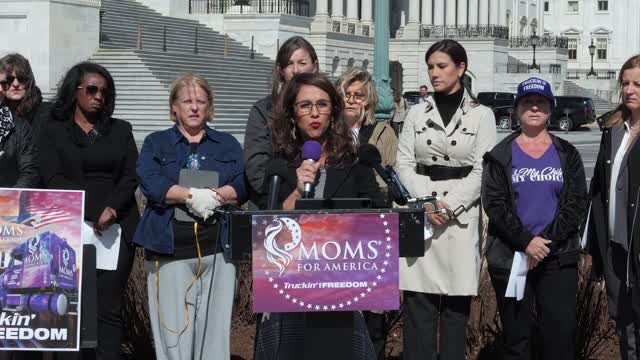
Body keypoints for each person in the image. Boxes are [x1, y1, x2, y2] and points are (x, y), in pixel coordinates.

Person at [254, 72, 385, 360]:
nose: (314, 113)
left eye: (322, 105)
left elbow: (377, 218)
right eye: (305, 105)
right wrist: (297, 192)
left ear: (334, 112)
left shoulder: (355, 161)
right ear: (291, 113)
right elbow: (264, 233)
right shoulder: (278, 167)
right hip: (290, 291)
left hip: (341, 292)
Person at [395, 39, 496, 360]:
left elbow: (484, 169)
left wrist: (449, 205)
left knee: (455, 312)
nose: (434, 73)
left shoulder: (482, 116)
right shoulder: (415, 112)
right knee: (418, 308)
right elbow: (404, 164)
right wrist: (426, 201)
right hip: (421, 215)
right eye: (430, 67)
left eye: (442, 66)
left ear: (460, 68)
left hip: (459, 220)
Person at [134, 73, 246, 360]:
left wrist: (219, 195)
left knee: (214, 335)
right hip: (169, 250)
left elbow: (244, 182)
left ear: (209, 106)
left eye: (200, 101)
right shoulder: (156, 143)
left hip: (219, 250)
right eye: (187, 101)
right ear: (174, 107)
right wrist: (189, 196)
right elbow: (149, 179)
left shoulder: (228, 144)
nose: (194, 107)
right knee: (173, 334)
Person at [37, 62, 139, 359]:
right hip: (69, 225)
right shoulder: (53, 130)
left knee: (109, 308)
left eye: (105, 92)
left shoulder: (121, 130)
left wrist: (112, 208)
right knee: (69, 307)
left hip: (116, 228)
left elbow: (130, 176)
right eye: (91, 89)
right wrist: (95, 210)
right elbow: (52, 177)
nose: (99, 96)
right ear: (75, 91)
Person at [482, 77, 588, 360]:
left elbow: (576, 202)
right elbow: (495, 205)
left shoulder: (567, 153)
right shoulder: (500, 155)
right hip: (512, 257)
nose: (534, 108)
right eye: (527, 102)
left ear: (550, 109)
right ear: (517, 109)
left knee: (559, 337)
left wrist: (545, 243)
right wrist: (526, 241)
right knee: (518, 340)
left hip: (556, 257)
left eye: (540, 102)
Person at [588, 54, 640, 360]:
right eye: (626, 83)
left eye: (638, 84)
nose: (630, 90)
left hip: (638, 247)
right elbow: (598, 188)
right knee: (625, 327)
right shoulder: (614, 130)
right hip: (615, 246)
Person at [244, 36, 318, 209]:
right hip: (274, 202)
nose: (296, 70)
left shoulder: (327, 107)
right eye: (289, 64)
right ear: (280, 70)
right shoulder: (263, 111)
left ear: (315, 65)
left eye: (302, 62)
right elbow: (257, 169)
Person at [337, 68, 398, 199]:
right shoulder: (329, 132)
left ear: (368, 100)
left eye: (358, 95)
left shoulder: (384, 132)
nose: (351, 100)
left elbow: (394, 175)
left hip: (373, 205)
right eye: (346, 94)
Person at [0, 53, 51, 140]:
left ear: (29, 81)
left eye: (21, 78)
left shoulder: (48, 114)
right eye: (9, 79)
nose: (15, 84)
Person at [0, 80, 38, 188]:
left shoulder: (19, 126)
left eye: (3, 84)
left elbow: (29, 171)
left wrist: (9, 199)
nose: (1, 89)